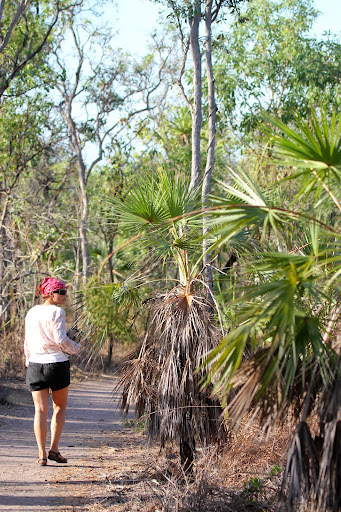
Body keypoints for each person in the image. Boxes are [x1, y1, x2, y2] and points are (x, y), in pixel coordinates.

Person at [24, 276, 82, 466]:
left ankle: (41, 455)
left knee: (39, 410)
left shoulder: (31, 312)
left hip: (35, 364)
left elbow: (27, 342)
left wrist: (29, 360)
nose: (65, 296)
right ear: (50, 293)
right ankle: (54, 450)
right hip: (56, 364)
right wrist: (76, 347)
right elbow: (60, 340)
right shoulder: (58, 312)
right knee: (60, 407)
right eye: (62, 292)